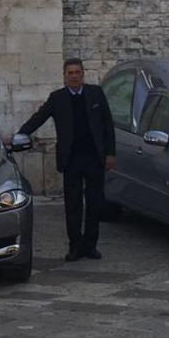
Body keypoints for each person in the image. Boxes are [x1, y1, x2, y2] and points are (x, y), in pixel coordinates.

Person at [18, 58, 117, 261]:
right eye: (70, 73)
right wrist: (19, 134)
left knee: (94, 204)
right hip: (71, 159)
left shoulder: (96, 93)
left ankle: (91, 245)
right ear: (64, 76)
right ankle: (75, 246)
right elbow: (39, 118)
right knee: (73, 205)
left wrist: (110, 153)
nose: (74, 76)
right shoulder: (57, 98)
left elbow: (108, 125)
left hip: (94, 157)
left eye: (77, 72)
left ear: (83, 74)